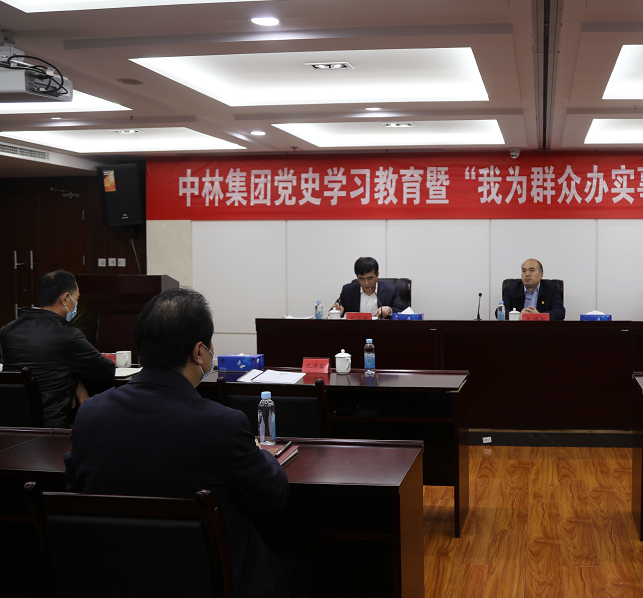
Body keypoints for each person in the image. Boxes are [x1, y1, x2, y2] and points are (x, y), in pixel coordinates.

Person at [64, 288, 308, 598]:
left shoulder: (90, 414)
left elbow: (74, 493)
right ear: (199, 352)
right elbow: (274, 494)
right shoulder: (223, 424)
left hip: (115, 578)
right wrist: (263, 453)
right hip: (209, 581)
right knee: (298, 569)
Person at [0, 269, 115, 428]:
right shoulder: (68, 337)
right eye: (77, 299)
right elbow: (106, 371)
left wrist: (72, 379)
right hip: (53, 428)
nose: (76, 304)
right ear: (65, 298)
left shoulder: (7, 332)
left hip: (12, 428)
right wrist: (75, 381)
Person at [333, 256, 405, 319]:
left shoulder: (391, 290)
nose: (366, 283)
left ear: (377, 275)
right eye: (361, 279)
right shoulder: (348, 290)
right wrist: (336, 311)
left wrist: (389, 310)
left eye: (370, 278)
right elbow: (335, 311)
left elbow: (403, 312)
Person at [500, 258, 565, 320]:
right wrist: (518, 316)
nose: (527, 274)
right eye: (524, 271)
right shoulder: (511, 290)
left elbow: (560, 312)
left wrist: (540, 316)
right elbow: (500, 311)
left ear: (541, 275)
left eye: (531, 270)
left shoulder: (551, 289)